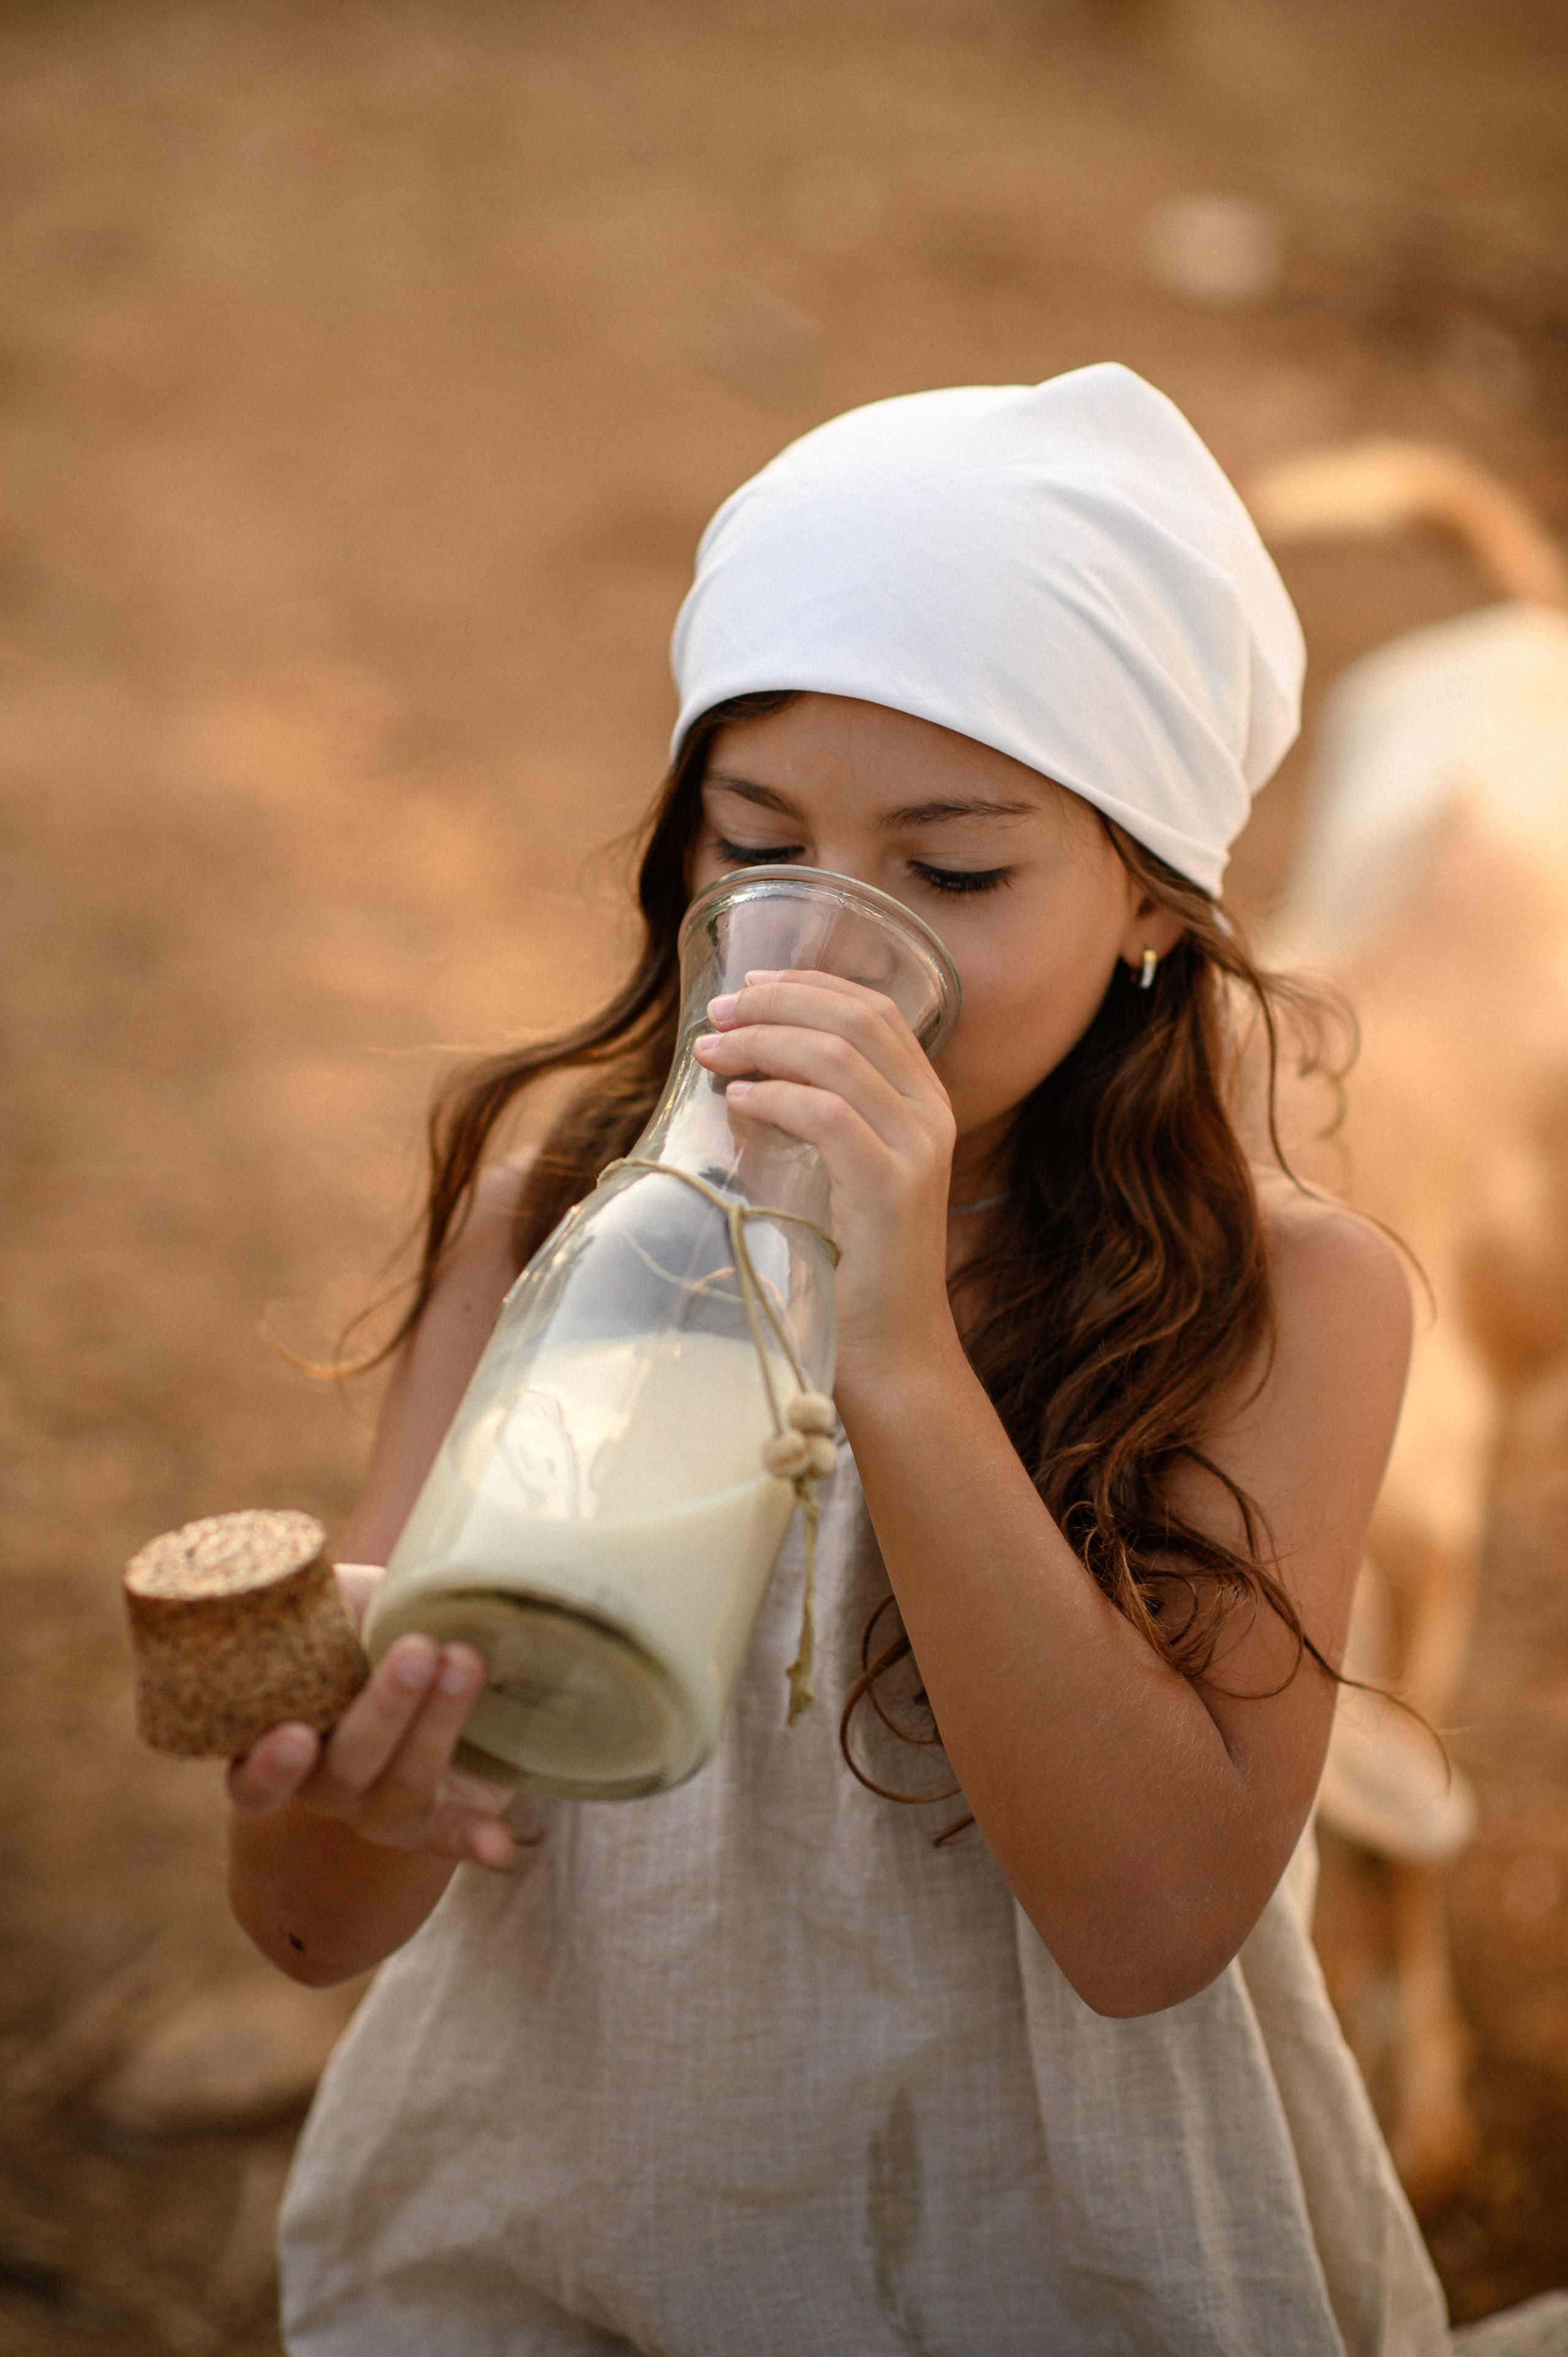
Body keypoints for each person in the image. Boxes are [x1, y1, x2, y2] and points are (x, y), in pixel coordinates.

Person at [228, 364, 1452, 2355]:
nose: (817, 954)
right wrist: (342, 1795)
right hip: (559, 2258)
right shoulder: (564, 1207)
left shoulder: (1294, 1308)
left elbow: (1148, 1931)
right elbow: (310, 1926)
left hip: (1058, 2277)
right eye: (754, 842)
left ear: (1150, 895)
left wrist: (891, 1350)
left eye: (953, 874)